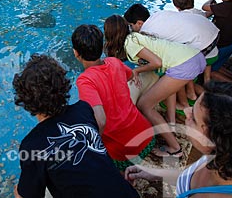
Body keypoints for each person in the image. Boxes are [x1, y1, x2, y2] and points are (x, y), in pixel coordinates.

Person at [125, 81, 232, 198]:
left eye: (193, 118)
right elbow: (194, 175)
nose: (186, 112)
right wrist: (157, 174)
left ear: (218, 140)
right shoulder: (225, 157)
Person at [13, 54, 140, 198]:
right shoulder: (83, 110)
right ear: (63, 85)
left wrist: (18, 191)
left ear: (26, 100)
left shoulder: (32, 145)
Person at [105, 15, 206, 158]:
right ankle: (170, 124)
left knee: (144, 105)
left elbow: (157, 62)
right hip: (195, 56)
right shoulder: (135, 36)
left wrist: (136, 71)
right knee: (168, 86)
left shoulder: (129, 43)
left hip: (184, 64)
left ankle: (175, 148)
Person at [72, 25, 155, 171]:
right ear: (103, 46)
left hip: (123, 150)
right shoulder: (114, 62)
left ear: (76, 53)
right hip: (147, 136)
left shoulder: (85, 80)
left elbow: (100, 121)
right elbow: (130, 76)